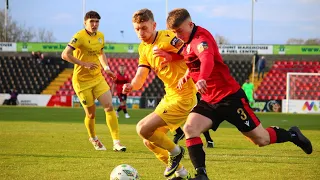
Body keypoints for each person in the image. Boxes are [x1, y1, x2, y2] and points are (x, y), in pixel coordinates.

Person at [164, 8, 312, 179]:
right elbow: (191, 60)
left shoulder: (201, 39)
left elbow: (206, 59)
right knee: (190, 128)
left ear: (190, 24)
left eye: (179, 31)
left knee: (261, 139)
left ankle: (293, 135)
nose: (178, 35)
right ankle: (201, 175)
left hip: (230, 98)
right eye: (174, 32)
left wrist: (202, 78)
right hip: (210, 99)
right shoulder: (187, 40)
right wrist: (186, 74)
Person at [123, 8, 197, 180]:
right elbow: (141, 76)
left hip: (183, 96)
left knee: (142, 128)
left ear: (154, 25)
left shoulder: (168, 38)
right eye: (137, 29)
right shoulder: (143, 48)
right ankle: (182, 173)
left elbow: (191, 53)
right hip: (169, 97)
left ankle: (176, 152)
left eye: (144, 27)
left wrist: (170, 56)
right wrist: (131, 86)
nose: (141, 32)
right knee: (149, 140)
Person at [61, 11, 126, 152]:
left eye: (97, 21)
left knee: (109, 107)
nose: (94, 24)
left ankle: (116, 142)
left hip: (97, 78)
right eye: (92, 21)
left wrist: (107, 68)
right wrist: (84, 64)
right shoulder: (79, 36)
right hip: (82, 82)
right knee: (91, 114)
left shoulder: (101, 37)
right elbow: (65, 54)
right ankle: (94, 138)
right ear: (85, 22)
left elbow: (101, 53)